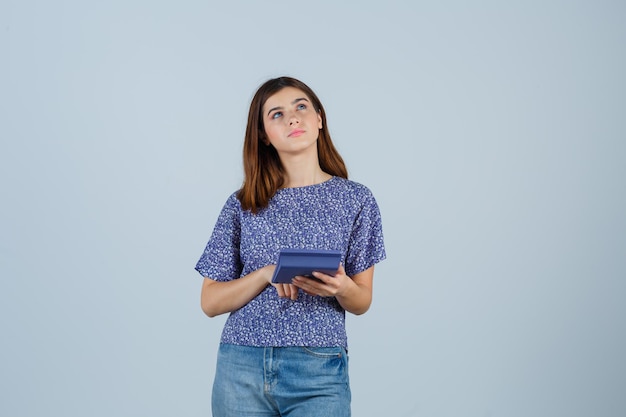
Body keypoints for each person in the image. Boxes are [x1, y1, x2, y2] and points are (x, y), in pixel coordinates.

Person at [195, 76, 386, 417]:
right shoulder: (243, 203)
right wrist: (265, 274)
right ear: (264, 136)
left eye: (301, 107)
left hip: (318, 368)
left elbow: (362, 301)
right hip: (241, 365)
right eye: (277, 114)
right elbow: (209, 302)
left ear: (319, 119)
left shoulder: (357, 200)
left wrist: (341, 286)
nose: (293, 118)